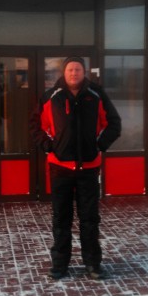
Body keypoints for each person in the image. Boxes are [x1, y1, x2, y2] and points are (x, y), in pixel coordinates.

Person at [30, 56, 121, 280]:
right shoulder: (51, 96)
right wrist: (49, 146)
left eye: (78, 69)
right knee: (61, 219)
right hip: (60, 168)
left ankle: (93, 264)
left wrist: (98, 145)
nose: (74, 73)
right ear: (64, 72)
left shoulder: (96, 95)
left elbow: (114, 123)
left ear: (84, 72)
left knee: (89, 219)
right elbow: (35, 125)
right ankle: (60, 265)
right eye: (70, 69)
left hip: (88, 168)